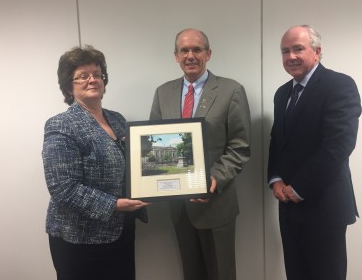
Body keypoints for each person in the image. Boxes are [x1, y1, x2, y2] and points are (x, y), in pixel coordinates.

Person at [150, 28, 251, 280]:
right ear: (176, 56)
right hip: (179, 206)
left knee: (221, 273)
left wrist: (215, 178)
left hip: (216, 203)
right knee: (191, 273)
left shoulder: (231, 90)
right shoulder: (163, 93)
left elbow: (240, 146)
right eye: (184, 50)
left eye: (197, 49)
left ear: (208, 53)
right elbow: (153, 142)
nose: (190, 55)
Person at [42, 45, 149, 280]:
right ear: (69, 86)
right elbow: (62, 187)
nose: (92, 80)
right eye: (83, 76)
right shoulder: (61, 125)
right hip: (79, 239)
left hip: (121, 229)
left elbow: (136, 165)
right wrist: (113, 205)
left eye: (97, 74)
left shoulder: (118, 120)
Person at [267, 25, 361, 280]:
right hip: (287, 207)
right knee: (296, 274)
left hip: (324, 207)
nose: (291, 56)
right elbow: (277, 141)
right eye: (285, 51)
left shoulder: (339, 85)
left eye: (298, 48)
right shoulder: (282, 93)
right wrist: (275, 179)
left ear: (317, 51)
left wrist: (297, 188)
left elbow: (338, 145)